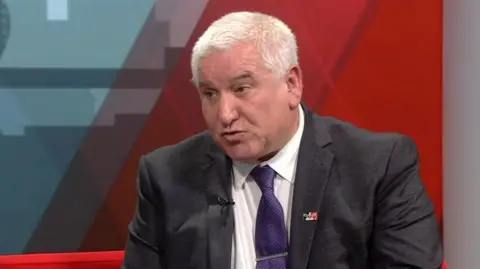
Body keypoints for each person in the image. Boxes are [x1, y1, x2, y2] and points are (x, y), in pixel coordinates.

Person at [123, 11, 443, 269]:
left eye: (241, 89)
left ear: (291, 84)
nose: (224, 114)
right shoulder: (166, 175)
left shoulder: (378, 166)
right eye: (209, 93)